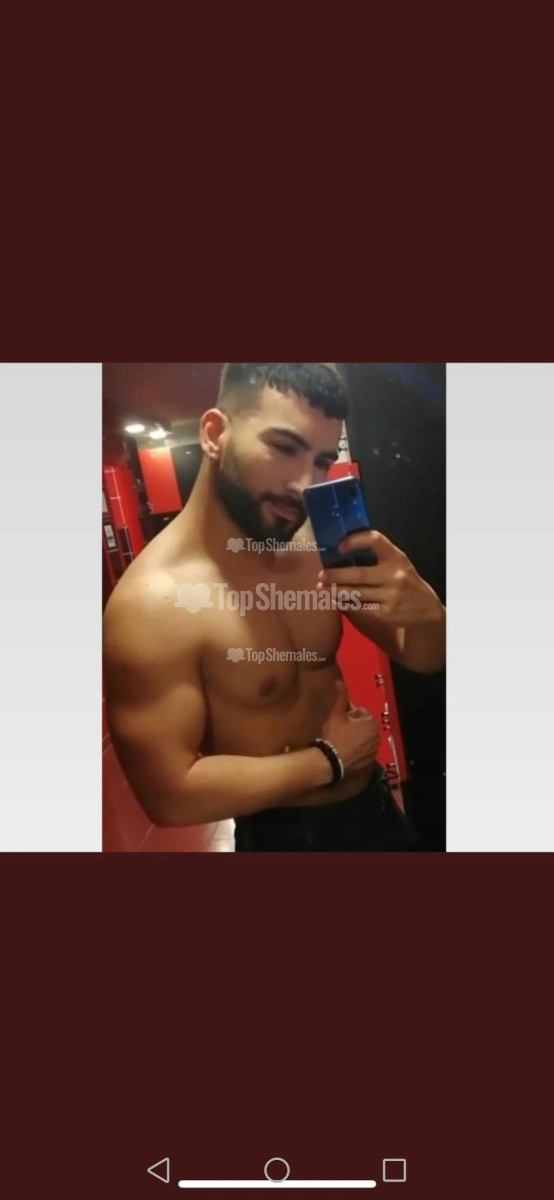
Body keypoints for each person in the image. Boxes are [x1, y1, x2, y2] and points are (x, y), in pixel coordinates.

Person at [103, 363, 445, 851]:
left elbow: (424, 656)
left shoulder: (312, 542)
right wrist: (328, 761)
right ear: (215, 434)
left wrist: (429, 615)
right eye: (284, 448)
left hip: (376, 809)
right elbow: (169, 796)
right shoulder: (151, 603)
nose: (305, 485)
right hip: (285, 839)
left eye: (322, 461)